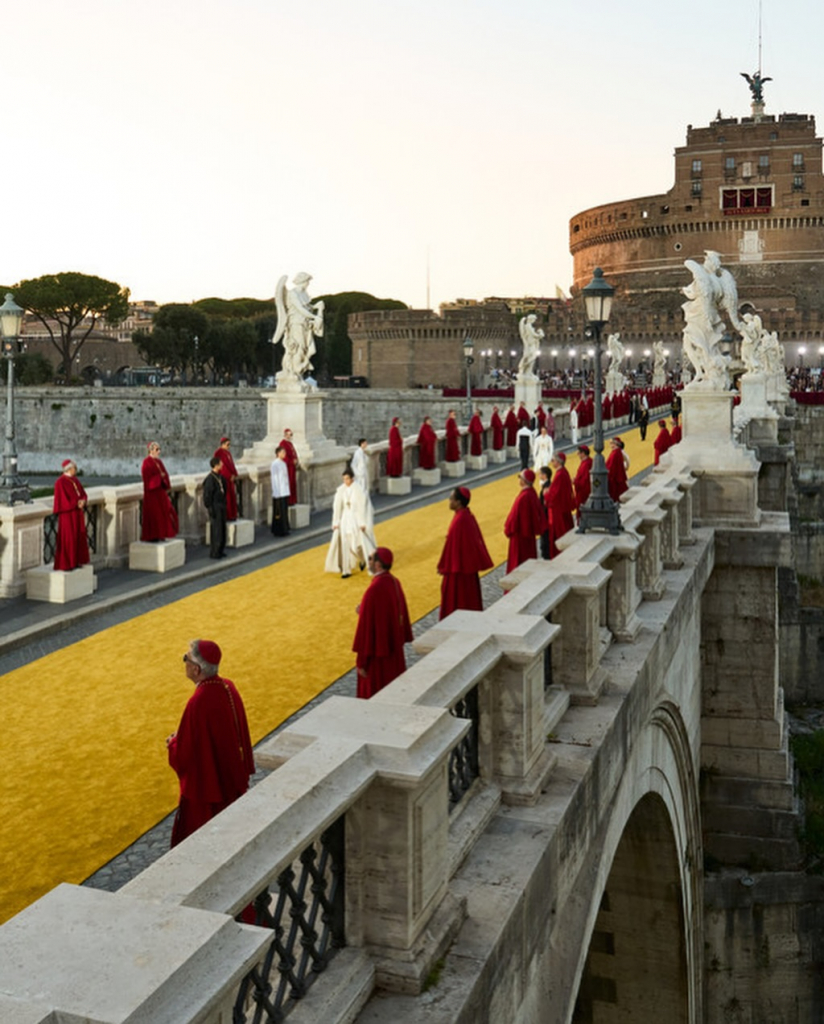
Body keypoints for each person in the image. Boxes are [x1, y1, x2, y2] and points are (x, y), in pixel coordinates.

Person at [167, 639, 254, 848]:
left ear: (196, 669)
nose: (184, 662)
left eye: (185, 658)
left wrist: (172, 744)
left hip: (209, 791)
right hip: (231, 779)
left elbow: (185, 756)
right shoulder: (228, 686)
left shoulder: (198, 702)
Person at [353, 547, 413, 698]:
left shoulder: (374, 589)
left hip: (377, 657)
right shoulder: (394, 582)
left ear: (378, 565)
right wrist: (364, 610)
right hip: (393, 649)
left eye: (371, 559)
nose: (369, 561)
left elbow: (367, 629)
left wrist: (362, 662)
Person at [437, 486, 494, 618]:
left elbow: (452, 547)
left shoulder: (460, 520)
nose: (449, 501)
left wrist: (445, 565)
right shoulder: (466, 516)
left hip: (459, 571)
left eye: (451, 498)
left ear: (458, 502)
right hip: (466, 568)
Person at [324, 470, 375, 578]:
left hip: (355, 519)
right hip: (345, 519)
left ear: (352, 478)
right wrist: (336, 521)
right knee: (345, 544)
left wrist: (362, 522)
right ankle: (346, 570)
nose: (345, 481)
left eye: (347, 479)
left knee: (357, 545)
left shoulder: (359, 490)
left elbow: (362, 507)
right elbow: (337, 507)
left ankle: (362, 559)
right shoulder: (341, 491)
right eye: (344, 479)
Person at [504, 469, 546, 572]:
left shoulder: (524, 497)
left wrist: (508, 529)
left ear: (524, 481)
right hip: (528, 534)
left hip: (520, 535)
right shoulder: (531, 493)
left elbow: (515, 516)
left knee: (518, 561)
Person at [53, 459, 90, 571]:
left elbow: (83, 494)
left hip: (77, 514)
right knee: (68, 539)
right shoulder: (60, 482)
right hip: (67, 516)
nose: (76, 470)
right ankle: (67, 563)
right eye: (74, 468)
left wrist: (83, 501)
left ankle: (76, 561)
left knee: (77, 537)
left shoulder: (75, 480)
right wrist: (76, 503)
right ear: (69, 469)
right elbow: (62, 501)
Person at [141, 441, 178, 542]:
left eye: (159, 449)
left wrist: (164, 479)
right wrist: (159, 478)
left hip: (160, 492)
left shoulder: (159, 462)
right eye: (157, 449)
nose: (159, 451)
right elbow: (147, 480)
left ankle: (161, 534)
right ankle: (153, 536)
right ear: (151, 450)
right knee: (154, 515)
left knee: (164, 514)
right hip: (152, 494)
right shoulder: (146, 462)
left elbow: (165, 474)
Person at [546, 452, 575, 558]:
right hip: (563, 507)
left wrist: (546, 494)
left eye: (553, 460)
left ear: (558, 462)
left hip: (558, 509)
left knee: (559, 532)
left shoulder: (560, 474)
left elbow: (554, 494)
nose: (552, 462)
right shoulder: (563, 472)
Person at [203, 456, 228, 559]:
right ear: (216, 465)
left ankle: (221, 549)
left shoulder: (220, 477)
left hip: (221, 505)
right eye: (220, 463)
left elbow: (224, 489)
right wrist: (210, 507)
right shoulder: (210, 479)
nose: (222, 465)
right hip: (215, 506)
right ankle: (215, 551)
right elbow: (207, 495)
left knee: (222, 529)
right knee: (216, 529)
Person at [212, 437, 239, 521]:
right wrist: (229, 475)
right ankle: (228, 515)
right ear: (222, 444)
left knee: (232, 497)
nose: (229, 446)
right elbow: (220, 466)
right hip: (225, 478)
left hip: (230, 478)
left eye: (229, 444)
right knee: (227, 497)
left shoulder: (228, 453)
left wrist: (234, 473)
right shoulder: (218, 452)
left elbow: (231, 464)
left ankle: (233, 515)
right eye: (227, 444)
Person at [270, 445, 291, 536]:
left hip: (284, 490)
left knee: (284, 511)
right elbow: (274, 479)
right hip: (278, 492)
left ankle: (285, 528)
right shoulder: (275, 464)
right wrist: (276, 492)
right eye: (283, 452)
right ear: (278, 453)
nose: (284, 454)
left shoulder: (283, 463)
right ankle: (278, 530)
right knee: (279, 512)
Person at [279, 428, 300, 506]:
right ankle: (288, 501)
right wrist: (291, 461)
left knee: (292, 484)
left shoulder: (290, 443)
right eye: (288, 434)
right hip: (287, 467)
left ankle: (292, 500)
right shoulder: (283, 443)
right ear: (285, 435)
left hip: (292, 467)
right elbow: (283, 456)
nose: (289, 436)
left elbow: (294, 453)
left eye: (291, 434)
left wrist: (296, 460)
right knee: (288, 484)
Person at [573, 444, 593, 523]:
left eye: (579, 453)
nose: (578, 455)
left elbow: (584, 480)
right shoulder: (587, 461)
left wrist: (575, 481)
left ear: (583, 453)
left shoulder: (586, 464)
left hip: (583, 491)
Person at [606, 437, 629, 502]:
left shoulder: (615, 453)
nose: (610, 445)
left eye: (611, 443)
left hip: (615, 477)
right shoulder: (617, 451)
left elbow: (612, 466)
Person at [538, 466, 552, 559]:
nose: (539, 475)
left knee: (545, 536)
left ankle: (546, 553)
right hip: (545, 512)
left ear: (544, 475)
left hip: (545, 514)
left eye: (540, 474)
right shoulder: (546, 485)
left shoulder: (547, 486)